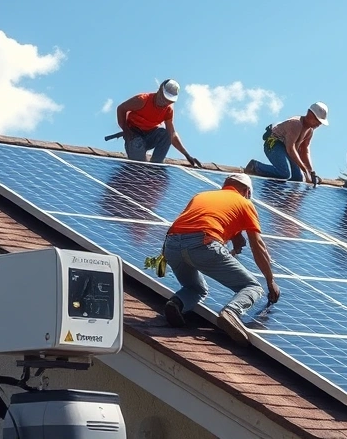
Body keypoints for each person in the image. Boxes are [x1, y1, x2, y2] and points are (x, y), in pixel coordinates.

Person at [161, 173, 280, 346]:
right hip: (203, 244)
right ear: (247, 192)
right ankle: (231, 313)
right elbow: (258, 246)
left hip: (170, 246)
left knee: (195, 288)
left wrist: (234, 235)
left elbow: (199, 221)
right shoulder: (245, 203)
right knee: (252, 286)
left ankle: (176, 304)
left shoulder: (202, 196)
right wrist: (271, 281)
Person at [115, 79, 202, 167]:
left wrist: (186, 155)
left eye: (168, 100)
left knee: (165, 134)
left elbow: (172, 134)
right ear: (159, 90)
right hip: (134, 135)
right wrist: (126, 130)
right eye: (163, 97)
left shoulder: (168, 110)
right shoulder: (142, 100)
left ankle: (155, 167)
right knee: (139, 166)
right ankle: (140, 168)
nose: (164, 102)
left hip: (150, 137)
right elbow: (121, 109)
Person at [243, 102, 328, 184]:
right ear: (310, 114)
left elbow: (304, 150)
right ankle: (255, 166)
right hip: (274, 144)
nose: (319, 124)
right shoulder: (296, 123)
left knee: (298, 178)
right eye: (317, 120)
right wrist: (305, 169)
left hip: (286, 150)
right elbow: (290, 149)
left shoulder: (310, 131)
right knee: (285, 173)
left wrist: (311, 172)